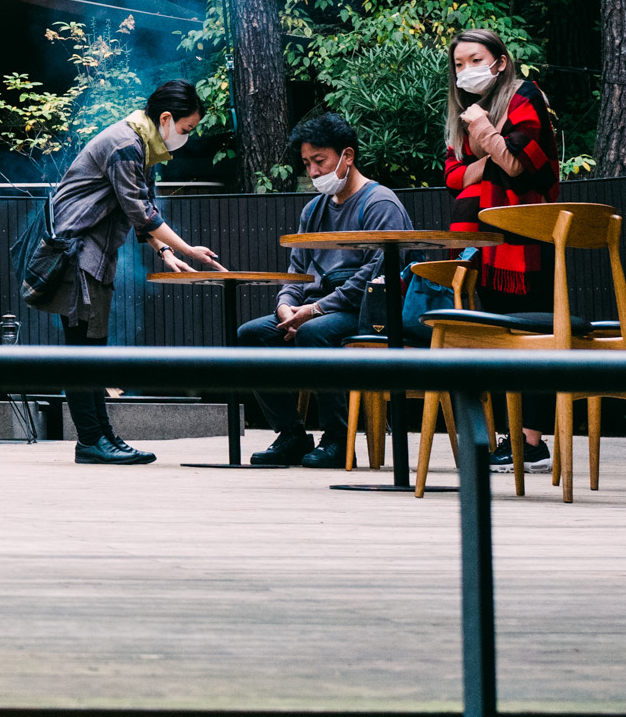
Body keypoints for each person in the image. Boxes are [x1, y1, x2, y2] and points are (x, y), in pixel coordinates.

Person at [36, 81, 225, 465]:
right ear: (166, 118)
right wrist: (186, 247)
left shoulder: (139, 145)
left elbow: (136, 206)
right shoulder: (125, 144)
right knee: (82, 352)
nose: (185, 137)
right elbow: (140, 210)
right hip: (77, 254)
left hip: (93, 255)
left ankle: (101, 436)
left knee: (90, 351)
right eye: (186, 129)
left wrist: (166, 249)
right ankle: (91, 440)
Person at [234, 112, 408, 466]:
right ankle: (292, 434)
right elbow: (296, 268)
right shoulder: (313, 210)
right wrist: (286, 305)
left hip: (368, 314)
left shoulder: (380, 204)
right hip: (313, 310)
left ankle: (338, 440)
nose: (312, 172)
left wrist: (312, 311)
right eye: (306, 163)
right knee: (251, 335)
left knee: (315, 333)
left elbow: (373, 276)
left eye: (319, 161)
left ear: (347, 156)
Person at [440, 27, 562, 465]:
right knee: (492, 339)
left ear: (501, 61)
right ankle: (505, 439)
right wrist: (492, 157)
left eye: (475, 60)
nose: (466, 70)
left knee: (529, 337)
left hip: (525, 238)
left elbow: (521, 164)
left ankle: (531, 442)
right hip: (480, 244)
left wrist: (483, 134)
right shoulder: (463, 112)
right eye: (458, 64)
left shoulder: (524, 96)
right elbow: (452, 178)